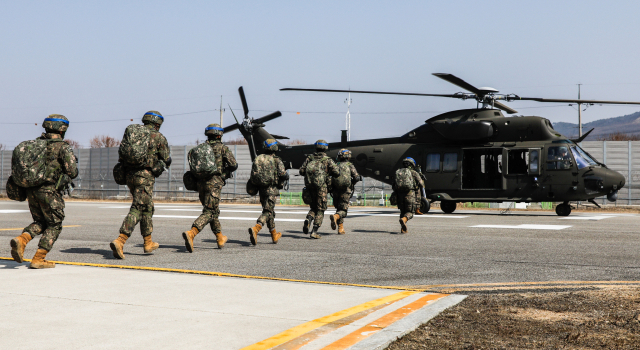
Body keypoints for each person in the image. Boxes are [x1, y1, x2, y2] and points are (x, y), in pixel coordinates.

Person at [10, 114, 78, 269]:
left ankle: (22, 239)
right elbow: (72, 171)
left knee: (41, 222)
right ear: (62, 130)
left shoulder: (33, 145)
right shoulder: (62, 146)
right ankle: (38, 258)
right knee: (55, 224)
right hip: (49, 191)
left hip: (31, 190)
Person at [110, 111, 171, 259]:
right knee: (138, 208)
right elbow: (166, 158)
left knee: (147, 207)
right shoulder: (158, 137)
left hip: (129, 175)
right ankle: (120, 240)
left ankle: (148, 242)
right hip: (145, 176)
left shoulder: (134, 135)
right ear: (158, 123)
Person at [182, 124, 238, 252]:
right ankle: (192, 233)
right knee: (209, 211)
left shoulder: (200, 148)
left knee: (213, 211)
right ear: (219, 135)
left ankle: (220, 237)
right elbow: (233, 164)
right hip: (214, 183)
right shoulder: (222, 148)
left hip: (200, 184)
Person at [247, 139, 288, 245]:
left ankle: (274, 235)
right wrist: (286, 176)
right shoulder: (276, 160)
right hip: (271, 190)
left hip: (261, 189)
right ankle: (256, 228)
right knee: (267, 212)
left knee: (269, 212)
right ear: (275, 148)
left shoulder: (258, 158)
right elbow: (283, 174)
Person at [299, 139, 340, 239]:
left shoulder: (309, 158)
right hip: (321, 188)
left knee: (313, 208)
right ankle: (314, 231)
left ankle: (308, 219)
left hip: (309, 187)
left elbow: (301, 171)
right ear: (325, 148)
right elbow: (337, 172)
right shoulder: (327, 160)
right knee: (321, 209)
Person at [328, 149, 360, 234]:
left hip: (335, 191)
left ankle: (340, 228)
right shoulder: (350, 165)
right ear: (348, 157)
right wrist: (352, 182)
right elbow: (356, 177)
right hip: (345, 190)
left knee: (339, 208)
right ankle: (336, 216)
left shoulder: (335, 165)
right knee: (343, 210)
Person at [393, 157, 425, 234]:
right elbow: (421, 184)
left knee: (402, 212)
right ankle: (404, 220)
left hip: (400, 196)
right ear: (412, 164)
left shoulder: (398, 172)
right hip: (410, 195)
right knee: (410, 213)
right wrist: (421, 178)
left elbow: (393, 186)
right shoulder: (414, 173)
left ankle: (403, 229)